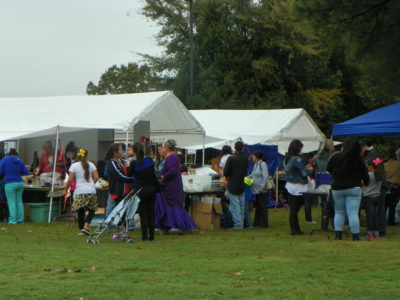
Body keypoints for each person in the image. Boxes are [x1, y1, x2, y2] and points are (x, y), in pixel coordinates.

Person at [327, 138, 369, 241]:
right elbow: (365, 176)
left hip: (337, 188)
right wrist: (366, 183)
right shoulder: (359, 159)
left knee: (339, 212)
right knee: (353, 213)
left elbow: (328, 169)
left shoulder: (335, 157)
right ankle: (355, 236)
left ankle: (338, 235)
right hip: (354, 188)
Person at [154, 139, 196, 233]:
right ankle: (166, 227)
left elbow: (172, 171)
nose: (162, 150)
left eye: (163, 147)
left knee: (174, 206)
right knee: (167, 206)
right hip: (168, 186)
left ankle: (183, 226)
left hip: (172, 186)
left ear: (167, 148)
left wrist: (163, 176)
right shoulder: (171, 157)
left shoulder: (172, 157)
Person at [64, 149, 99, 236]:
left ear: (77, 156)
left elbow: (70, 179)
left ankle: (81, 230)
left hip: (80, 191)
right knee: (92, 210)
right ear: (87, 156)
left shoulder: (74, 165)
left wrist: (65, 189)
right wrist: (91, 184)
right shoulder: (91, 164)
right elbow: (97, 177)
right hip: (91, 190)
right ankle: (86, 227)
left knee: (80, 211)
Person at [128, 142, 157, 241]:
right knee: (151, 213)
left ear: (134, 151)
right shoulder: (149, 160)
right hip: (151, 189)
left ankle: (144, 236)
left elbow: (129, 175)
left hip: (140, 190)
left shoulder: (134, 163)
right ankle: (152, 236)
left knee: (142, 214)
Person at [105, 143, 135, 240]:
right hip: (118, 191)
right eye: (120, 150)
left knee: (123, 212)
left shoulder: (121, 161)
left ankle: (121, 233)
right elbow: (119, 176)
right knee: (119, 212)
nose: (122, 152)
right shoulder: (111, 163)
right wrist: (133, 179)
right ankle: (119, 233)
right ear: (115, 152)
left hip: (125, 190)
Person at [284, 140, 313, 235]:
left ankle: (294, 229)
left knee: (293, 209)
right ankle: (295, 230)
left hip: (290, 185)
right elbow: (304, 172)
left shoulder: (286, 159)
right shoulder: (296, 159)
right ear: (297, 148)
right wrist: (310, 170)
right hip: (298, 186)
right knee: (294, 209)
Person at [223, 141, 248, 230]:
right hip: (242, 183)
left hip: (233, 184)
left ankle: (238, 225)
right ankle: (241, 223)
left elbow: (225, 172)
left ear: (234, 148)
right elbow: (245, 172)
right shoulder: (245, 158)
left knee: (235, 206)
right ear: (242, 148)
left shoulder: (231, 158)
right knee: (241, 205)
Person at [0, 149, 29, 224]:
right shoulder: (19, 160)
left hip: (10, 183)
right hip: (20, 183)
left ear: (9, 154)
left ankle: (13, 220)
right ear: (16, 154)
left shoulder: (4, 160)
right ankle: (20, 219)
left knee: (11, 202)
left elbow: (0, 172)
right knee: (19, 201)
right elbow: (26, 172)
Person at [313, 139, 335, 230]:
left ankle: (324, 225)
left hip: (320, 181)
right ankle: (334, 225)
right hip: (330, 181)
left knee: (324, 203)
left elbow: (315, 169)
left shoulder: (317, 157)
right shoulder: (332, 157)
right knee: (332, 204)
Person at [363, 158, 384, 239]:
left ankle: (370, 233)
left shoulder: (369, 175)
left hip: (369, 197)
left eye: (368, 166)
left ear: (371, 166)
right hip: (377, 196)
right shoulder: (379, 175)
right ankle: (376, 233)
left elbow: (364, 184)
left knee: (370, 216)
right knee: (376, 215)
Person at [251, 151, 269, 228]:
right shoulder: (255, 165)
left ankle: (263, 223)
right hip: (256, 189)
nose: (252, 157)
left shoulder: (263, 164)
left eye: (253, 156)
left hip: (261, 189)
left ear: (256, 157)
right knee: (258, 206)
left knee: (262, 206)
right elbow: (253, 175)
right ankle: (257, 222)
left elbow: (265, 176)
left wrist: (262, 187)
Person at [384, 148, 400, 226]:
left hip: (385, 185)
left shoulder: (385, 163)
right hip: (395, 186)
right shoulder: (398, 163)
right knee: (393, 205)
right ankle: (391, 221)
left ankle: (382, 221)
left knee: (384, 205)